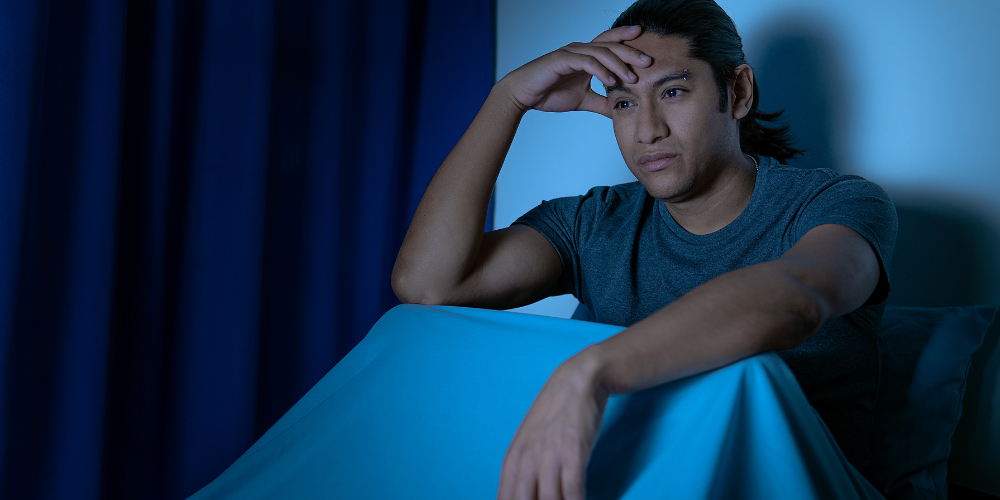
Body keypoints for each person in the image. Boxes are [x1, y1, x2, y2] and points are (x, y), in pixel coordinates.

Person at [391, 0, 897, 498]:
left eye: (673, 92)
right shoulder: (593, 223)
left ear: (738, 92)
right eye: (624, 103)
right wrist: (508, 98)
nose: (648, 130)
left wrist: (591, 372)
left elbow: (798, 296)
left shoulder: (837, 202)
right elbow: (429, 285)